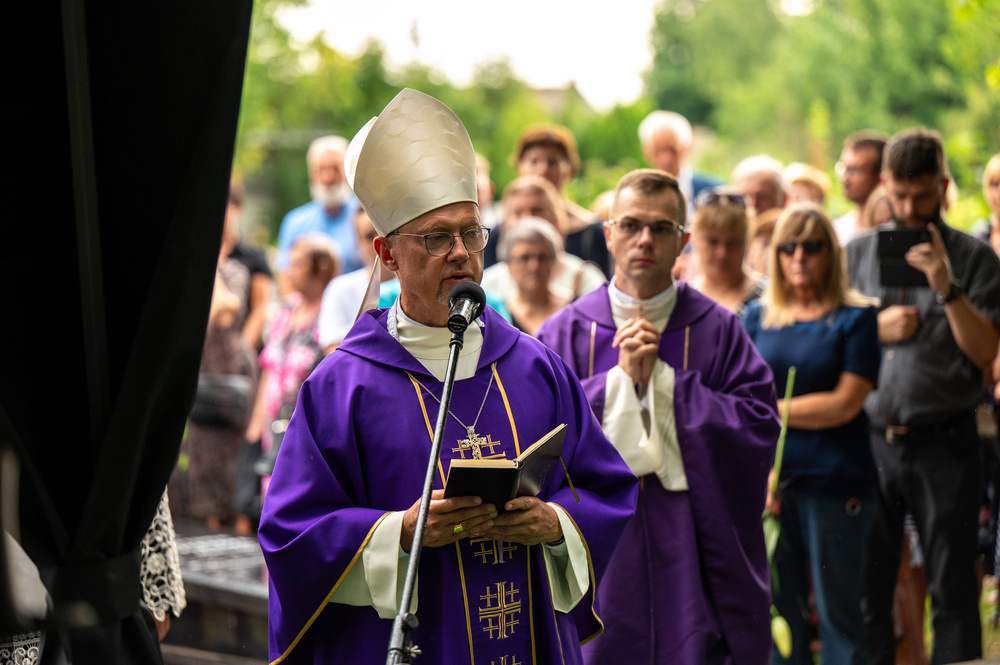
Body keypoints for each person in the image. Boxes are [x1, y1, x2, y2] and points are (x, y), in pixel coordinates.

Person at [258, 88, 638, 665]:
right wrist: (401, 530)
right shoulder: (342, 387)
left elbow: (606, 488)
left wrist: (555, 523)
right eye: (436, 237)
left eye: (471, 233)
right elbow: (292, 532)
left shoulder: (536, 367)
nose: (461, 252)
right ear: (387, 255)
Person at [536, 168, 780, 665]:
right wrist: (618, 384)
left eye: (661, 228)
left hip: (689, 533)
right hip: (598, 538)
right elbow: (535, 430)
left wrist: (667, 386)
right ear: (608, 234)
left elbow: (757, 424)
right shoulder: (563, 332)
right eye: (630, 225)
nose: (644, 239)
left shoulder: (719, 329)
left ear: (682, 241)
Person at [846, 128, 1000, 665]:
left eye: (923, 194)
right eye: (901, 195)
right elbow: (825, 340)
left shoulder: (975, 258)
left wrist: (946, 288)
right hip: (869, 443)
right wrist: (874, 328)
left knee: (953, 593)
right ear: (884, 184)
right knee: (870, 590)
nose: (911, 208)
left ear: (944, 186)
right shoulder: (856, 255)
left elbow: (984, 351)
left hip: (945, 444)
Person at [742, 204, 881, 665]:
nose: (798, 256)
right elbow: (738, 399)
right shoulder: (757, 317)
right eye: (788, 246)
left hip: (835, 482)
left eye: (812, 246)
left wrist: (771, 409)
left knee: (839, 612)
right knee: (780, 613)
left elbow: (845, 403)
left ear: (831, 253)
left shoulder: (855, 318)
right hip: (770, 488)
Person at [246, 234, 338, 498]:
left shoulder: (330, 315)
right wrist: (256, 421)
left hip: (310, 428)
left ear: (321, 267)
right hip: (273, 425)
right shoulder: (287, 309)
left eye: (296, 264)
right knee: (270, 493)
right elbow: (269, 368)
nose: (288, 271)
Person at [482, 175, 606, 300]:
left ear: (556, 218)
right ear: (505, 222)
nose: (528, 218)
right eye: (518, 212)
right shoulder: (490, 285)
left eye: (536, 211)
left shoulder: (587, 280)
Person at [512, 123, 612, 276]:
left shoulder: (592, 232)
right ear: (519, 166)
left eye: (552, 162)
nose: (543, 169)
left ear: (570, 168)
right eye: (534, 161)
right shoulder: (501, 231)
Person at [275, 135, 361, 289]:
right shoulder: (295, 222)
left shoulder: (364, 218)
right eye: (321, 169)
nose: (328, 178)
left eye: (335, 168)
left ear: (348, 172)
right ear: (312, 175)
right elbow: (285, 280)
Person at [317, 207, 394, 352]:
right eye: (369, 236)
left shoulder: (419, 286)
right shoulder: (340, 289)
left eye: (384, 233)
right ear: (358, 244)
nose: (379, 244)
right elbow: (334, 352)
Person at [688, 188, 765, 317]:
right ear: (694, 238)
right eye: (712, 241)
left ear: (748, 241)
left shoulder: (768, 297)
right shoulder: (682, 299)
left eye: (733, 243)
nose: (722, 253)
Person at [638, 110, 723, 218]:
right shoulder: (637, 193)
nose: (665, 159)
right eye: (657, 151)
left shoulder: (714, 192)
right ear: (646, 152)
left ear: (687, 148)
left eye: (672, 150)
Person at [498, 217, 572, 335]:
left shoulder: (574, 309)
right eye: (525, 258)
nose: (534, 266)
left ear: (554, 262)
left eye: (542, 257)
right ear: (508, 264)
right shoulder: (498, 313)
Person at [224, 183, 274, 351]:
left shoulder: (253, 258)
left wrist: (240, 351)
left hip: (239, 347)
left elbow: (259, 310)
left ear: (237, 209)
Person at [834, 131, 888, 246]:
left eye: (854, 170)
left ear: (881, 176)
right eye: (843, 168)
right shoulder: (837, 231)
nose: (845, 179)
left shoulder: (891, 232)